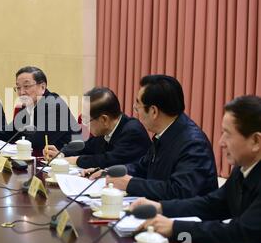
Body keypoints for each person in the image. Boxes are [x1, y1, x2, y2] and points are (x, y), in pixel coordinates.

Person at [131, 96, 261, 243]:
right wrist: (160, 207)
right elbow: (212, 204)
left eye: (228, 134)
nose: (221, 143)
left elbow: (241, 233)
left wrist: (174, 228)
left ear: (256, 141)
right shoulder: (242, 168)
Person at [88, 75, 218, 201]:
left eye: (138, 105)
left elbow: (179, 191)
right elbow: (142, 167)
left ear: (153, 111)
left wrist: (130, 184)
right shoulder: (165, 132)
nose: (135, 109)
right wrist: (109, 172)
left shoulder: (193, 143)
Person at [0, 66, 80, 150]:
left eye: (26, 86)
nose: (21, 92)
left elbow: (37, 142)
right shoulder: (27, 106)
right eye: (18, 88)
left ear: (42, 87)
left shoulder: (55, 106)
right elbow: (10, 133)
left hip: (67, 163)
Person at [43, 87, 151, 169]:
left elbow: (108, 160)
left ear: (104, 119)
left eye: (86, 120)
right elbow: (86, 146)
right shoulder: (105, 130)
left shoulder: (132, 131)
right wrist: (62, 153)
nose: (85, 124)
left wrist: (73, 160)